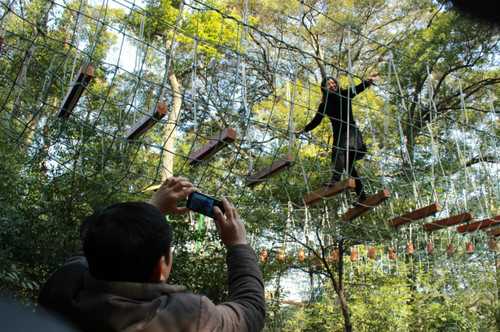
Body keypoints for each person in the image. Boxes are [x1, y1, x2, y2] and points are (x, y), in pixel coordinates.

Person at [38, 177, 265, 332]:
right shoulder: (188, 316)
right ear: (162, 267)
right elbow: (249, 311)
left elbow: (92, 248)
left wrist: (150, 208)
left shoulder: (62, 288)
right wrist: (238, 245)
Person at [296, 74, 379, 203]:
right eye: (329, 84)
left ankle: (335, 179)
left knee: (342, 151)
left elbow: (358, 88)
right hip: (339, 136)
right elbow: (316, 120)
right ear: (324, 88)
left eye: (333, 83)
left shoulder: (345, 94)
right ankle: (362, 196)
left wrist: (368, 82)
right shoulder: (324, 105)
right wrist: (304, 129)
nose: (332, 85)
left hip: (351, 134)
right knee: (349, 167)